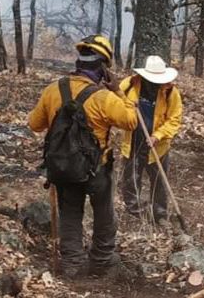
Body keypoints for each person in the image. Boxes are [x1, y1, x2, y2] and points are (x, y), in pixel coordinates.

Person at [29, 34, 138, 277]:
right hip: (96, 167)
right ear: (102, 68)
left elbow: (34, 124)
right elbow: (131, 121)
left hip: (62, 167)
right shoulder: (104, 98)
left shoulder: (52, 90)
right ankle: (101, 262)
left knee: (70, 213)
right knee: (103, 212)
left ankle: (72, 265)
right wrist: (119, 92)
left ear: (78, 63)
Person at [118, 55, 184, 224]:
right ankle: (134, 210)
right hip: (133, 139)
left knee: (159, 179)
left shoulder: (170, 92)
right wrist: (126, 107)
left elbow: (174, 119)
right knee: (131, 176)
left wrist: (158, 135)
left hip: (158, 145)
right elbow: (116, 102)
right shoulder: (129, 85)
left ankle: (159, 213)